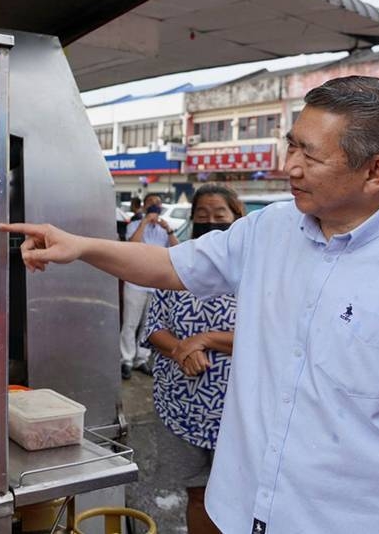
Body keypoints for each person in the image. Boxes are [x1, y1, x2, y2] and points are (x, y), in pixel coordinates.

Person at [1, 76, 379, 534]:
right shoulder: (270, 229)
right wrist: (81, 245)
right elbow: (169, 267)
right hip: (239, 511)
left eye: (310, 155)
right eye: (291, 146)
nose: (289, 167)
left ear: (376, 171)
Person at [141, 183, 243, 534]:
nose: (210, 222)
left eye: (220, 216)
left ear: (237, 218)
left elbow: (274, 336)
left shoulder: (256, 269)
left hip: (238, 411)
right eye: (202, 216)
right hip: (182, 406)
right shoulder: (179, 263)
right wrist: (181, 351)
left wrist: (206, 340)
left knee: (241, 498)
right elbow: (154, 327)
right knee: (197, 495)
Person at [120, 193, 178, 379]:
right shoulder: (135, 225)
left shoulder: (164, 229)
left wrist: (168, 230)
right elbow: (131, 246)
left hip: (156, 285)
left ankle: (141, 358)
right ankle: (126, 359)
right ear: (145, 206)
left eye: (158, 203)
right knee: (130, 323)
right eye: (152, 203)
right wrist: (144, 222)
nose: (155, 206)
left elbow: (177, 250)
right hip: (135, 283)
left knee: (148, 325)